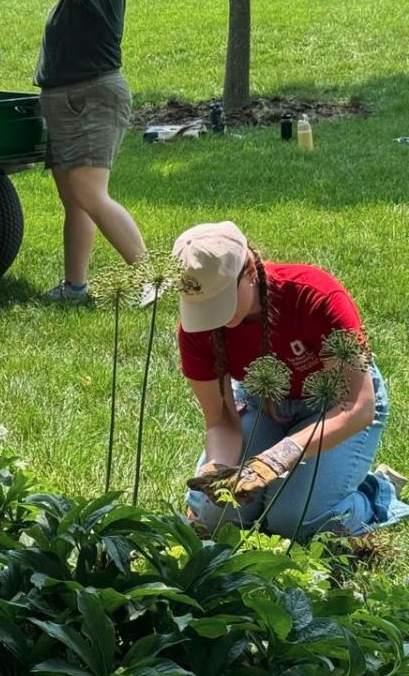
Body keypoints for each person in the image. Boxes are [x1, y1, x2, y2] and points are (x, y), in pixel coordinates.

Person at [173, 221, 407, 539]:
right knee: (216, 517)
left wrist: (277, 458)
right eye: (204, 307)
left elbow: (357, 406)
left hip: (336, 405)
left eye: (221, 302)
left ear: (251, 272)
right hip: (263, 402)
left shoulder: (314, 296)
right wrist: (216, 469)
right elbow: (220, 419)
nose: (214, 318)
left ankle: (375, 494)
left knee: (293, 521)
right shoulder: (197, 330)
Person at [0, 0, 147, 302]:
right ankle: (75, 288)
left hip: (91, 96)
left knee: (91, 195)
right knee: (74, 200)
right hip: (68, 98)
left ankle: (154, 278)